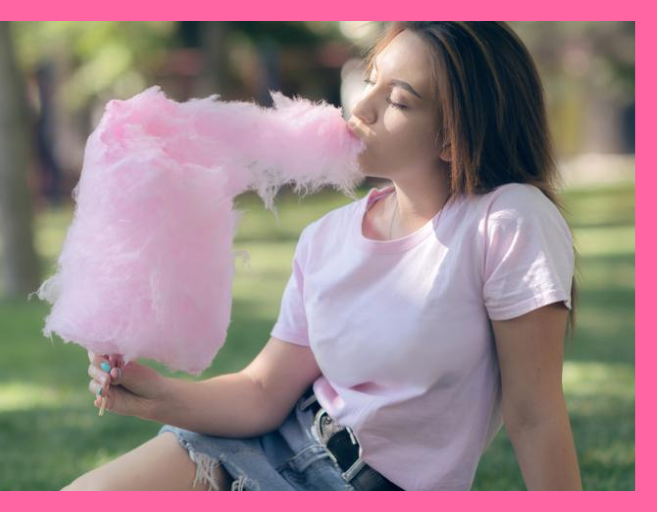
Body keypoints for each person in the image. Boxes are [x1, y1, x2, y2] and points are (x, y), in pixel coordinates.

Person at [61, 21, 583, 491]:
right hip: (266, 446)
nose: (361, 107)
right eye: (370, 77)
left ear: (455, 135)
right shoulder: (326, 237)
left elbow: (533, 412)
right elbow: (263, 391)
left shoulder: (507, 221)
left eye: (398, 100)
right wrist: (155, 393)